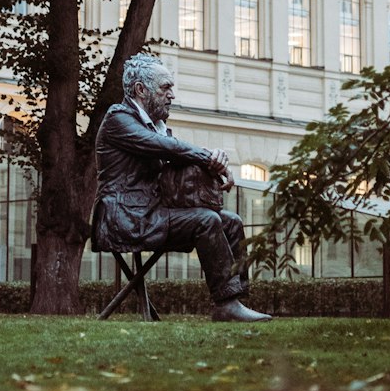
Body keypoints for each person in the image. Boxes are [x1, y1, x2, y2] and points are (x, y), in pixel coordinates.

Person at [93, 52, 271, 322]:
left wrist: (215, 166)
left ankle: (233, 302)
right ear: (141, 90)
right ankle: (226, 304)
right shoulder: (119, 119)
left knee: (232, 222)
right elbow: (166, 147)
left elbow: (176, 154)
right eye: (166, 88)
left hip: (152, 214)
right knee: (207, 220)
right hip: (125, 219)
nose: (172, 95)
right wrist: (210, 158)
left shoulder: (156, 126)